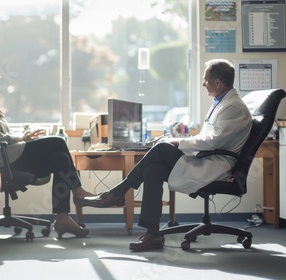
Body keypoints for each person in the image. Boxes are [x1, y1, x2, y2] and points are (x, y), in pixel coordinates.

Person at [76, 58, 253, 251]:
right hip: (206, 159)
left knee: (161, 149)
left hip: (216, 166)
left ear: (217, 83)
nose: (203, 84)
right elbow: (211, 138)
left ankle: (117, 193)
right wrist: (180, 141)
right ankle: (153, 234)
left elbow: (213, 142)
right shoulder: (222, 103)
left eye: (205, 80)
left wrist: (177, 142)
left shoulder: (233, 107)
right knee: (154, 169)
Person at [0, 55, 94, 238]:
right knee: (58, 142)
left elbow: (0, 132)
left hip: (11, 155)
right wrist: (20, 137)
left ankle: (62, 218)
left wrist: (24, 137)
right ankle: (78, 192)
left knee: (60, 159)